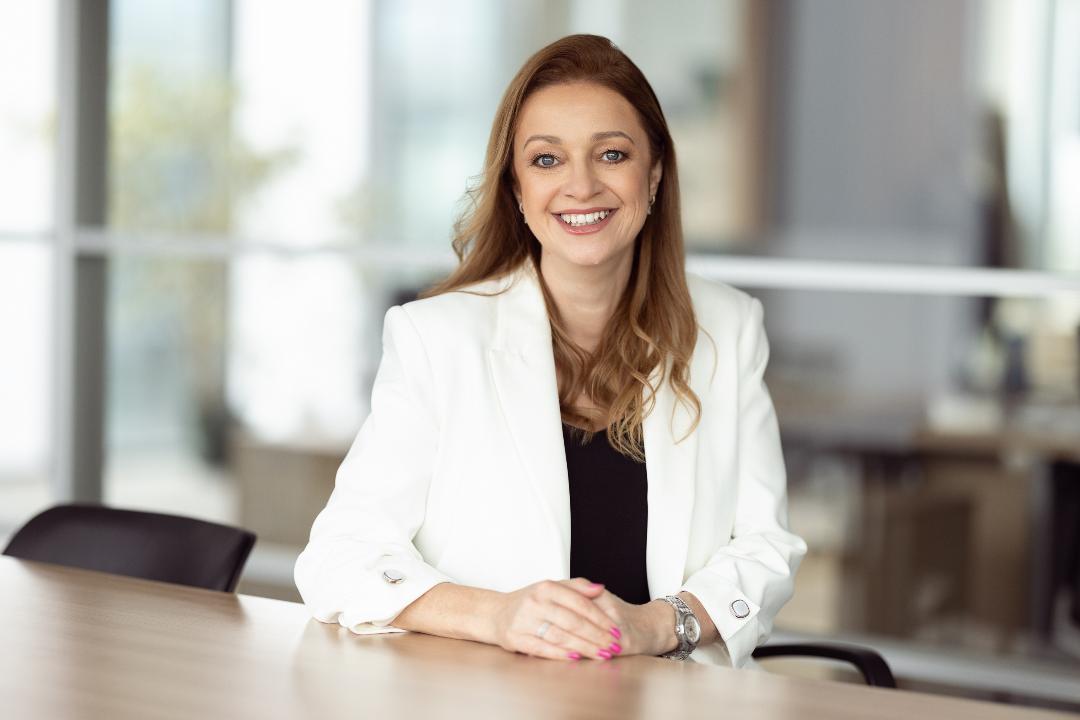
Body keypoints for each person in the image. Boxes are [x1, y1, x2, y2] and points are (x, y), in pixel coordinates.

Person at [294, 34, 806, 667]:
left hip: (667, 696)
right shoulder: (436, 337)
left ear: (653, 175)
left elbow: (765, 547)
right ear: (516, 188)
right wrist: (498, 616)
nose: (580, 185)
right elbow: (338, 556)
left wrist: (655, 625)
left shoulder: (728, 327)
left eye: (611, 154)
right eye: (546, 160)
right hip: (491, 698)